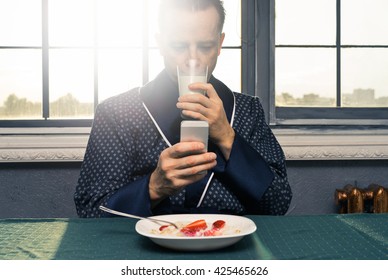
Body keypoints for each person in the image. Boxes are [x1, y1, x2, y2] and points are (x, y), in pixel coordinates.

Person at [74, 0, 292, 218]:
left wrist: (227, 137)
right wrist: (153, 187)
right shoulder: (116, 113)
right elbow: (91, 211)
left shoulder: (248, 110)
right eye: (179, 46)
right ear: (161, 43)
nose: (193, 60)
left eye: (205, 46)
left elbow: (278, 203)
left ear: (219, 44)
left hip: (232, 246)